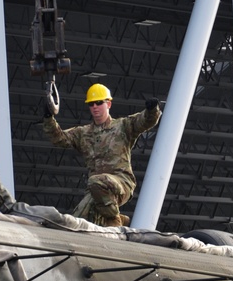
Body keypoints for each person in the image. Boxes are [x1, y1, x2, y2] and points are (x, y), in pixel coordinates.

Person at [43, 83, 160, 227]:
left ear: (108, 104)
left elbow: (143, 121)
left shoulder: (122, 126)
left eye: (99, 103)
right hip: (96, 190)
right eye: (91, 104)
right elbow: (59, 139)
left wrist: (152, 110)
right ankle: (116, 218)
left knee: (95, 181)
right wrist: (49, 119)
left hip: (121, 182)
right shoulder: (83, 133)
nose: (95, 107)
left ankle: (114, 219)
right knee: (76, 220)